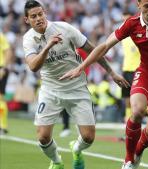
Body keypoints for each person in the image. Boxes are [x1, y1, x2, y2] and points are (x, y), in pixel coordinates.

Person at [60, 0, 148, 168]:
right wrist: (82, 67)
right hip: (146, 74)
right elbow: (105, 46)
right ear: (138, 5)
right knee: (137, 111)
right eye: (147, 6)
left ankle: (137, 153)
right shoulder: (131, 24)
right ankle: (129, 160)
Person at [22, 1, 129, 169]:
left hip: (77, 88)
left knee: (88, 137)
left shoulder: (64, 28)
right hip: (51, 90)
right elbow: (34, 66)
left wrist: (112, 73)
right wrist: (48, 46)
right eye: (33, 16)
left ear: (45, 13)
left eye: (40, 14)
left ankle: (76, 149)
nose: (38, 18)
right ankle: (57, 162)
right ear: (27, 20)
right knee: (43, 137)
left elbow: (92, 49)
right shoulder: (28, 39)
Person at [0, 32, 12, 135]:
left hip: (1, 69)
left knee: (1, 98)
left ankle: (3, 126)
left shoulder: (1, 36)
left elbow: (8, 51)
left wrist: (4, 68)